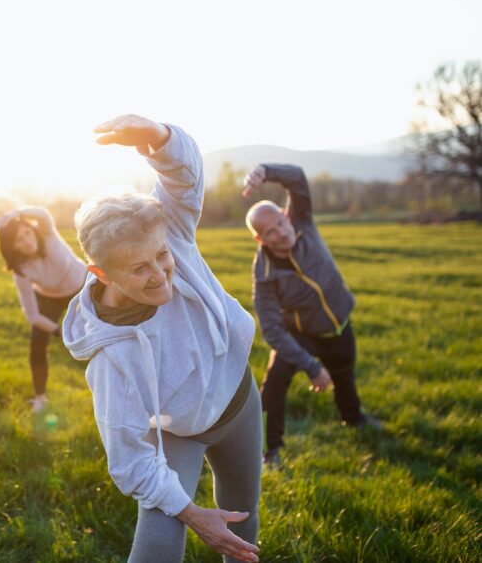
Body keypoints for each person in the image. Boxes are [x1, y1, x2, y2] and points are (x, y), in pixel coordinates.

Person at [64, 114, 261, 563]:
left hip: (240, 402)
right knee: (158, 542)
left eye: (161, 256)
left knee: (242, 523)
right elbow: (130, 461)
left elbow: (184, 179)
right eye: (139, 268)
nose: (160, 275)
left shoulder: (170, 231)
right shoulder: (112, 359)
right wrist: (192, 514)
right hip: (178, 432)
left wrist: (158, 137)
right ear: (101, 273)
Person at [242, 164, 381, 468]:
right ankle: (269, 450)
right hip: (302, 335)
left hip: (339, 324)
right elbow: (272, 331)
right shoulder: (264, 274)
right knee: (274, 382)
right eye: (270, 232)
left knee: (345, 376)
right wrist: (311, 366)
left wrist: (265, 171)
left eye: (281, 223)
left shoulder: (302, 220)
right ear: (260, 240)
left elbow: (297, 179)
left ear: (285, 214)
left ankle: (354, 419)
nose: (282, 233)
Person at [0, 207, 88, 412]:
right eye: (19, 240)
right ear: (12, 247)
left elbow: (42, 214)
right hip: (49, 298)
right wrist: (57, 331)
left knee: (104, 331)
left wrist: (13, 213)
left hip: (82, 287)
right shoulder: (21, 271)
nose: (27, 241)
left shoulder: (47, 233)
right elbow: (32, 315)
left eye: (27, 233)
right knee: (37, 344)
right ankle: (40, 398)